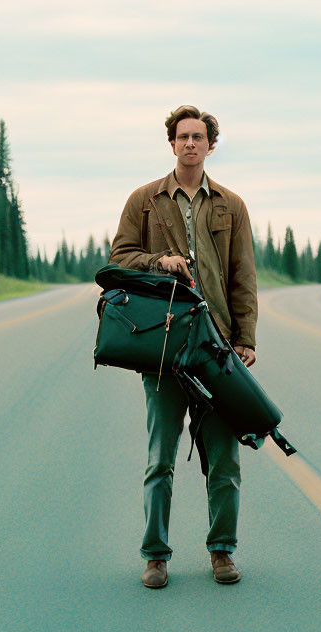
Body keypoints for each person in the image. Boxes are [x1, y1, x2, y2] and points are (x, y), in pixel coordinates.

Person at [110, 104, 258, 589]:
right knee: (161, 458)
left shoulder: (231, 205)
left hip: (216, 348)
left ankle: (222, 552)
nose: (190, 143)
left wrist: (246, 340)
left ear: (210, 145)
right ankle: (155, 556)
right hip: (163, 346)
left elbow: (243, 277)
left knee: (225, 459)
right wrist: (160, 261)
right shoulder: (143, 201)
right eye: (183, 136)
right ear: (171, 143)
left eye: (199, 137)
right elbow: (118, 261)